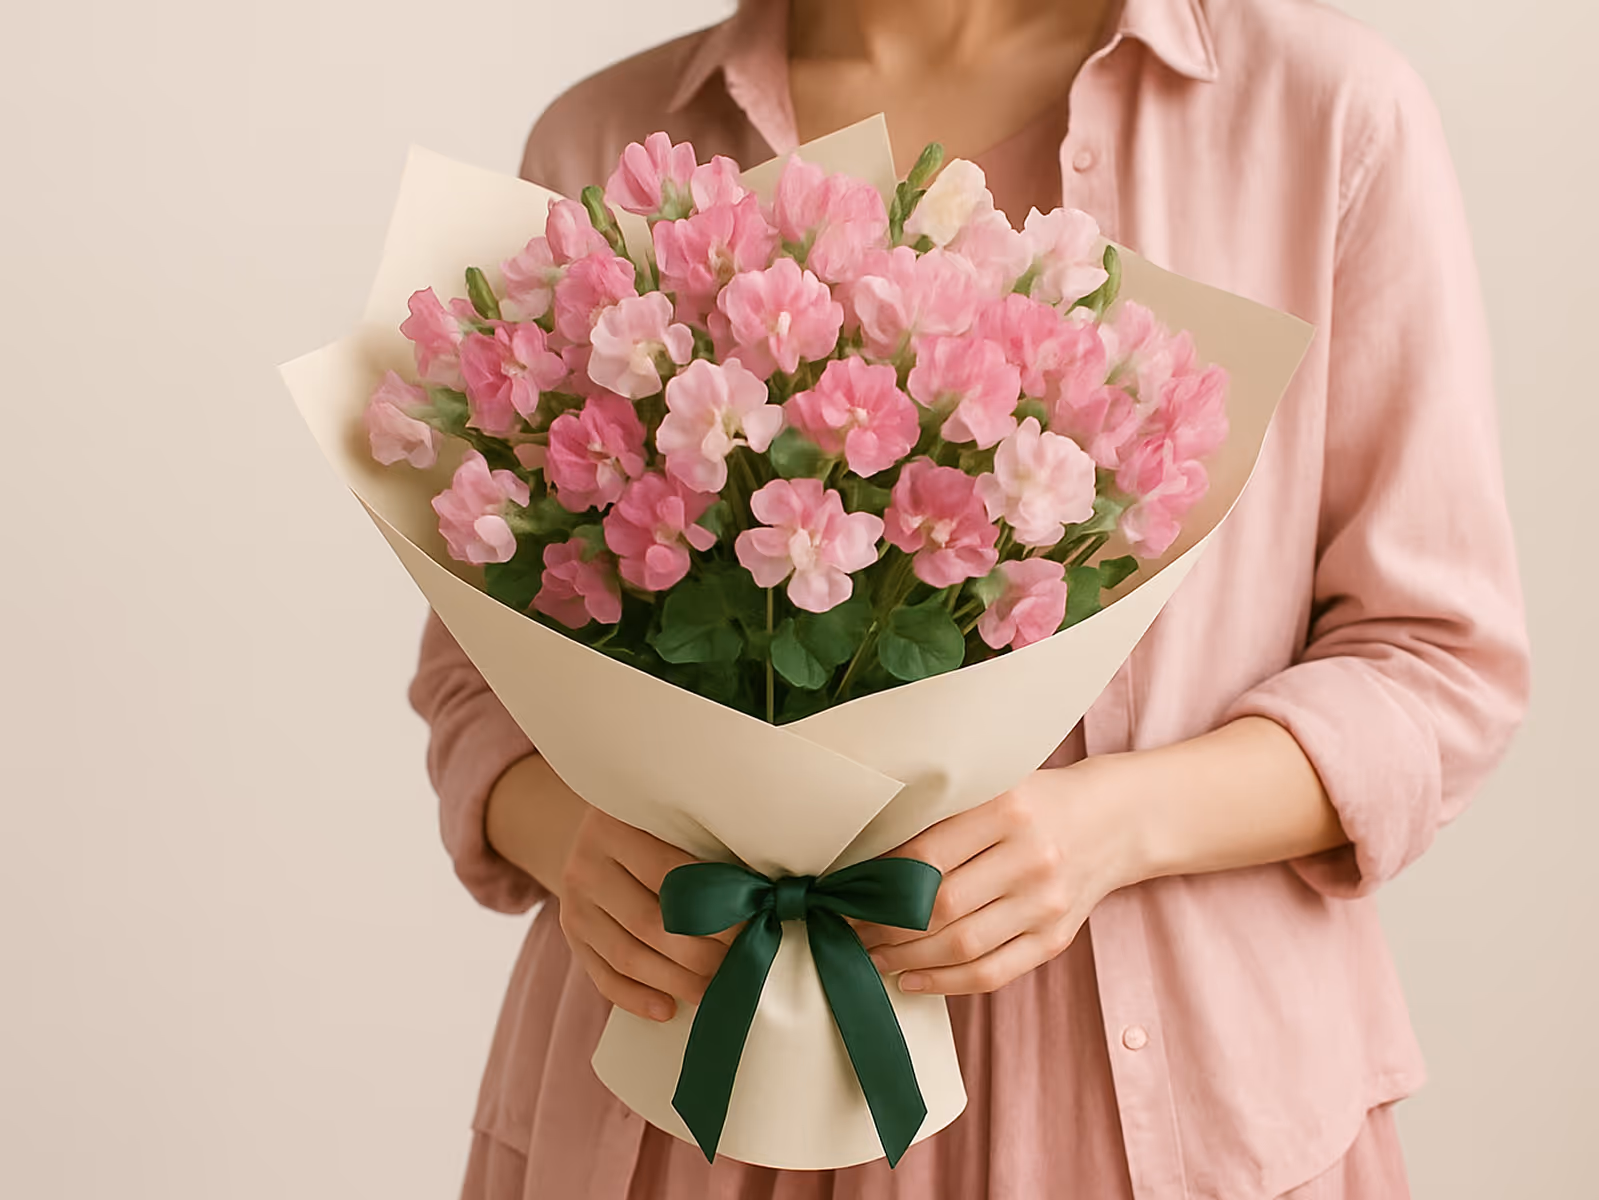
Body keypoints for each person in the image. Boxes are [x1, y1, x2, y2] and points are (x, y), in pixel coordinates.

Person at [407, 0, 1531, 1195]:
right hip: (691, 1079)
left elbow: (1434, 660)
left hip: (1161, 1107)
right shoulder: (614, 144)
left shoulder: (1324, 117)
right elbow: (477, 683)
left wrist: (1110, 828)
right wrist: (576, 843)